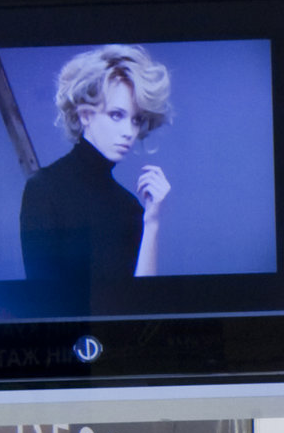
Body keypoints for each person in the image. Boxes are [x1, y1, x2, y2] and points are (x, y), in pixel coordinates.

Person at [19, 43, 173, 311]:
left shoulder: (129, 207)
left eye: (136, 120)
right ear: (85, 115)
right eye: (117, 115)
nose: (129, 132)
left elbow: (142, 308)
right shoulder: (44, 189)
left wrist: (152, 222)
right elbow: (42, 302)